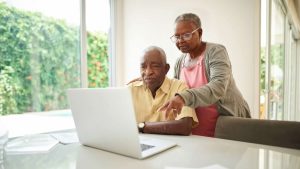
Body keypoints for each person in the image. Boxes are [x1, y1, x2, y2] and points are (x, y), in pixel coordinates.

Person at [159, 13, 251, 137]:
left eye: (186, 35)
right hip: (198, 129)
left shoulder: (216, 52)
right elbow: (174, 88)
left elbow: (218, 87)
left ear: (200, 33)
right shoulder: (179, 62)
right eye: (177, 36)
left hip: (225, 124)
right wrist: (152, 79)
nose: (180, 41)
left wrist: (183, 97)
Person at [128, 46, 198, 136]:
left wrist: (142, 127)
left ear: (166, 69)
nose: (148, 72)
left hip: (173, 145)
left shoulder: (179, 87)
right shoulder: (130, 89)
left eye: (155, 66)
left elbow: (185, 126)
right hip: (138, 144)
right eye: (143, 67)